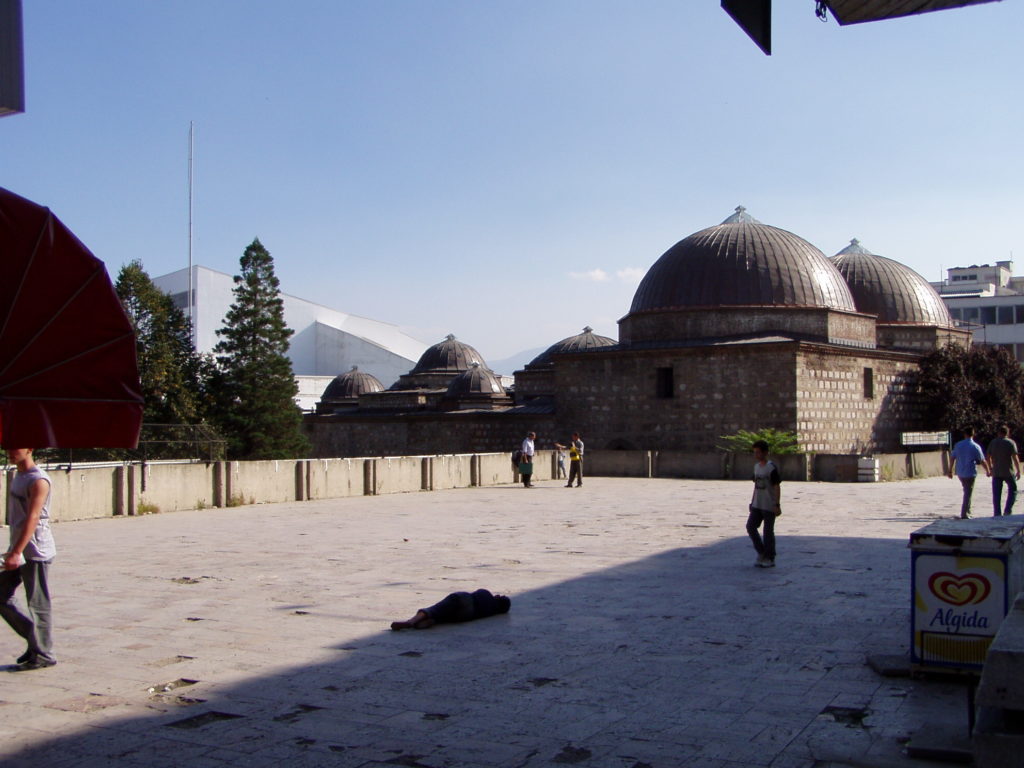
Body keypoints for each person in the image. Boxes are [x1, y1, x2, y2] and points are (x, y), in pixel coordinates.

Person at [1, 448, 57, 670]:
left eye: (16, 446)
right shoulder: (18, 476)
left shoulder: (39, 480)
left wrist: (16, 552)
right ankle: (37, 643)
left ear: (30, 448)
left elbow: (33, 518)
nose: (10, 451)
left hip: (36, 551)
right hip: (19, 549)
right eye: (8, 447)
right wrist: (14, 550)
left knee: (38, 603)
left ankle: (44, 654)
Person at [390, 589, 511, 630]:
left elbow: (477, 592)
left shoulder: (486, 594)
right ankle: (429, 622)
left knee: (435, 609)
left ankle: (411, 621)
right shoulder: (490, 612)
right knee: (442, 616)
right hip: (466, 616)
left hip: (464, 600)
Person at [746, 439, 781, 568]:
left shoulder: (770, 467)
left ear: (765, 452)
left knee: (768, 532)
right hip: (757, 503)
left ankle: (770, 557)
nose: (756, 455)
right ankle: (762, 552)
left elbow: (776, 486)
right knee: (750, 527)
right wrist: (752, 501)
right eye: (754, 452)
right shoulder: (756, 467)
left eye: (758, 452)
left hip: (768, 504)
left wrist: (776, 504)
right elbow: (756, 486)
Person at [949, 427, 989, 519]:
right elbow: (982, 460)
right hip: (970, 472)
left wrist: (950, 470)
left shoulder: (958, 445)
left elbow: (952, 458)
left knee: (966, 491)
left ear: (965, 434)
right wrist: (988, 470)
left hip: (960, 472)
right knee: (968, 492)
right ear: (973, 434)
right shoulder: (975, 446)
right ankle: (965, 513)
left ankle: (968, 510)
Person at [987, 425, 1021, 516]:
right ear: (1007, 433)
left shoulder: (993, 442)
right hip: (1008, 471)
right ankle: (1008, 510)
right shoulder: (1010, 443)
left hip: (996, 471)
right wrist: (1018, 470)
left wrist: (990, 467)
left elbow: (988, 456)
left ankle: (997, 512)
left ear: (998, 432)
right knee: (1013, 490)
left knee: (996, 493)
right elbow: (1015, 457)